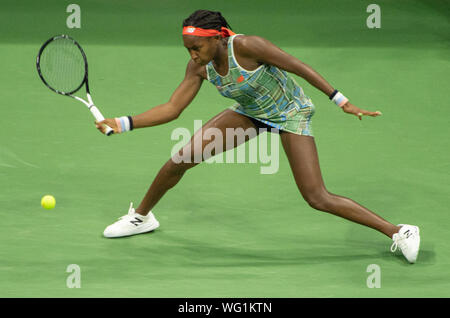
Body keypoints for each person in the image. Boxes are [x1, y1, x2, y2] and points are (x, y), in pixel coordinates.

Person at [95, 10, 420, 263]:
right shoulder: (199, 67)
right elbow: (172, 108)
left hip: (290, 113)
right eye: (188, 49)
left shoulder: (248, 46)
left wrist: (342, 101)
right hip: (251, 112)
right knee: (180, 159)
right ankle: (141, 217)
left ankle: (400, 231)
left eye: (197, 47)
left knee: (316, 196)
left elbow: (298, 66)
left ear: (219, 38)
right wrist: (124, 123)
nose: (193, 55)